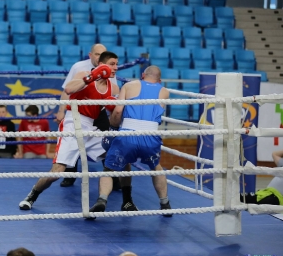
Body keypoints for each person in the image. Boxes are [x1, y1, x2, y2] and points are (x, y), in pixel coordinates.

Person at [19, 51, 120, 210]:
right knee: (57, 171)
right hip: (73, 122)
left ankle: (102, 200)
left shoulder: (113, 88)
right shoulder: (84, 74)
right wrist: (91, 77)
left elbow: (119, 111)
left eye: (117, 64)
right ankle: (33, 195)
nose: (116, 67)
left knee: (112, 153)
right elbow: (68, 89)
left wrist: (114, 107)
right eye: (112, 64)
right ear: (102, 64)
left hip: (91, 127)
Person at [90, 66, 172, 216]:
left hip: (127, 135)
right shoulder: (164, 91)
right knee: (156, 168)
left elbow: (118, 111)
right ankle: (165, 204)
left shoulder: (128, 86)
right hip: (151, 136)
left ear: (142, 75)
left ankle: (102, 200)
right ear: (160, 80)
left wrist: (113, 128)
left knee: (109, 169)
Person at [56, 43, 120, 189]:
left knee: (108, 141)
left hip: (99, 109)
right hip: (80, 111)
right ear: (90, 55)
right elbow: (67, 89)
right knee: (73, 141)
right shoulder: (79, 68)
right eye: (97, 54)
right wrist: (61, 110)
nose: (99, 57)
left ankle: (113, 178)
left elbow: (114, 93)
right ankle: (69, 176)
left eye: (102, 54)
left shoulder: (110, 69)